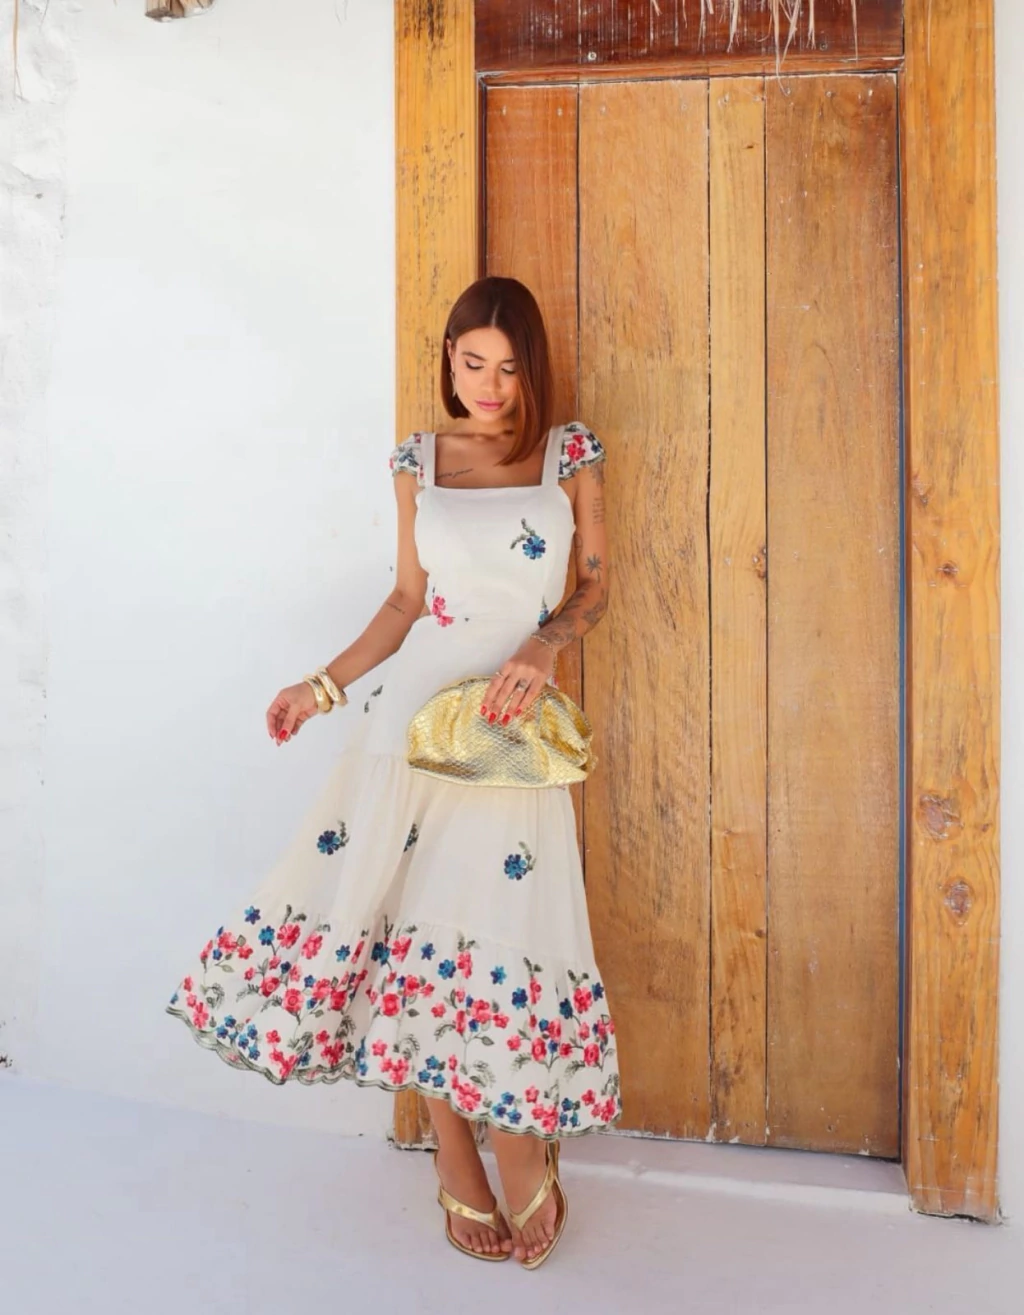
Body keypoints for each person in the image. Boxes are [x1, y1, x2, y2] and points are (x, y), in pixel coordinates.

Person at [166, 275, 622, 1269]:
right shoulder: (418, 459)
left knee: (492, 919)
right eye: (472, 363)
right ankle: (453, 1144)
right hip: (408, 722)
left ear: (531, 372)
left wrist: (544, 646)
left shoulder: (568, 452)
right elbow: (408, 601)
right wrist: (320, 686)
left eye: (508, 368)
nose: (488, 385)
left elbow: (592, 586)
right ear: (449, 357)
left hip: (505, 727)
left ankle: (516, 1133)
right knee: (405, 923)